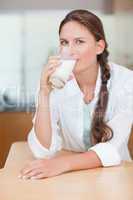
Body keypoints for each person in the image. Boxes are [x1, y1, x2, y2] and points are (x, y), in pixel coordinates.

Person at [19, 9, 133, 180]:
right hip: (70, 178)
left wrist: (61, 164)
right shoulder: (54, 81)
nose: (69, 50)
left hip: (114, 175)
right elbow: (43, 150)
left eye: (79, 42)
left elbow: (112, 148)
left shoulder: (125, 80)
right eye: (64, 42)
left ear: (99, 47)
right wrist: (44, 93)